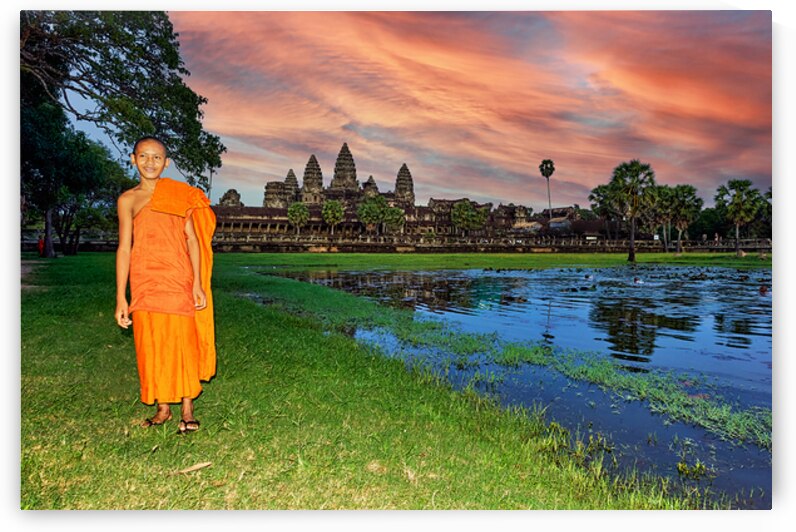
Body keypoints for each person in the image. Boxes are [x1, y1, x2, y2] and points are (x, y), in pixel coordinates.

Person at [115, 136, 216, 434]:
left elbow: (193, 240)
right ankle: (163, 408)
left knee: (182, 344)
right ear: (133, 159)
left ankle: (187, 407)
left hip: (178, 278)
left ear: (166, 163)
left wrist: (197, 283)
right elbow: (124, 248)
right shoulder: (128, 200)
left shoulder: (178, 194)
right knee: (152, 343)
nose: (150, 162)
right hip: (145, 279)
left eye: (157, 157)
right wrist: (121, 296)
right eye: (143, 156)